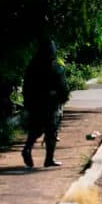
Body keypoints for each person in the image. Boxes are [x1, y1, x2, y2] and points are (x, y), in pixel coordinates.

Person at [21, 39, 70, 168]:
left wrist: (27, 103)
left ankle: (27, 148)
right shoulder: (55, 67)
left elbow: (25, 86)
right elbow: (62, 87)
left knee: (35, 128)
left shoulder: (32, 67)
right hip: (50, 103)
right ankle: (49, 159)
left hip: (34, 103)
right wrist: (63, 98)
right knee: (51, 131)